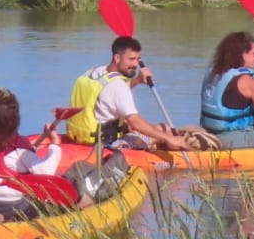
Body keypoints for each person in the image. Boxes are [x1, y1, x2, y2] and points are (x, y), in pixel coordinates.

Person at [65, 36, 203, 152]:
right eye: (131, 59)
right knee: (166, 131)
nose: (136, 64)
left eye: (138, 59)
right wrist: (169, 138)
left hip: (79, 136)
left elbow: (110, 95)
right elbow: (136, 122)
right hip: (107, 144)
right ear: (117, 57)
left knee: (161, 129)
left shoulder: (95, 73)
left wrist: (137, 81)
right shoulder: (118, 86)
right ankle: (183, 162)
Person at [0, 87, 64, 219]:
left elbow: (12, 161)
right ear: (15, 117)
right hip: (16, 205)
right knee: (70, 177)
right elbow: (46, 172)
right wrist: (54, 143)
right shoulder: (17, 144)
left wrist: (31, 148)